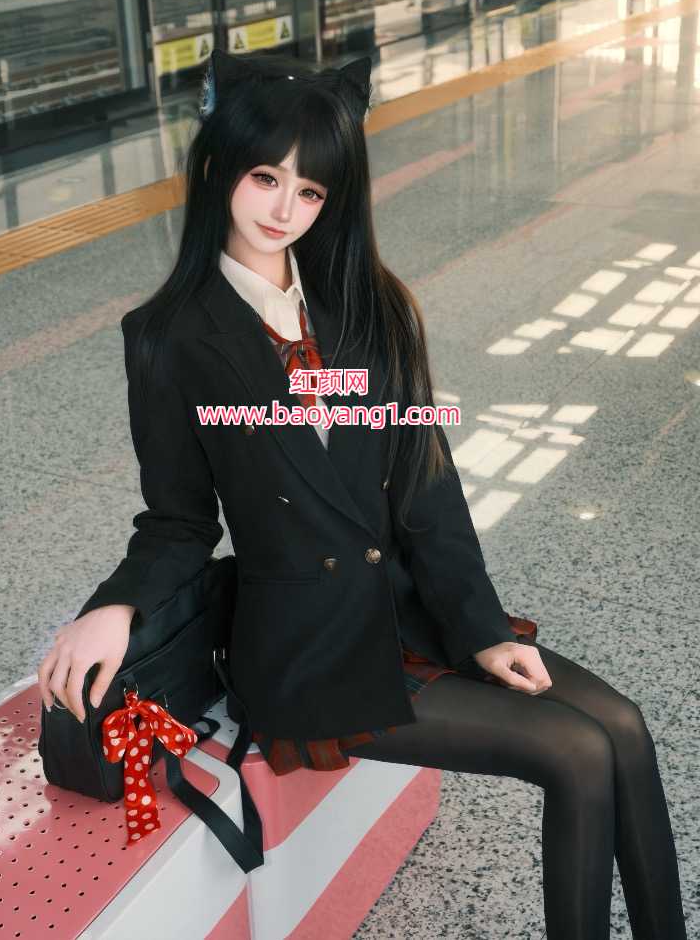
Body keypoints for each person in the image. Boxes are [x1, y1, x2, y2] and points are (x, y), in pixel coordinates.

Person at [37, 48, 687, 939]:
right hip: (307, 651)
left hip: (408, 612)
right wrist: (116, 606)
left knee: (625, 727)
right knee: (576, 751)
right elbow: (179, 520)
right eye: (266, 178)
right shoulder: (169, 338)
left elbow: (426, 487)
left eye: (309, 191)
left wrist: (484, 629)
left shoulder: (365, 304)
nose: (283, 210)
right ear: (220, 167)